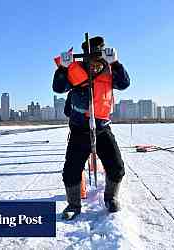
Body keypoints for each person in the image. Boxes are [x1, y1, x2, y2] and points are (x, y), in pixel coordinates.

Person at [52, 36, 130, 219]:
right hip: (80, 129)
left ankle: (111, 198)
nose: (95, 64)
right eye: (91, 60)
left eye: (98, 59)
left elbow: (124, 84)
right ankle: (73, 205)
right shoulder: (74, 71)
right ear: (85, 59)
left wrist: (117, 63)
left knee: (116, 166)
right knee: (71, 170)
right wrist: (63, 67)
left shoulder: (111, 70)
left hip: (102, 128)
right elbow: (58, 87)